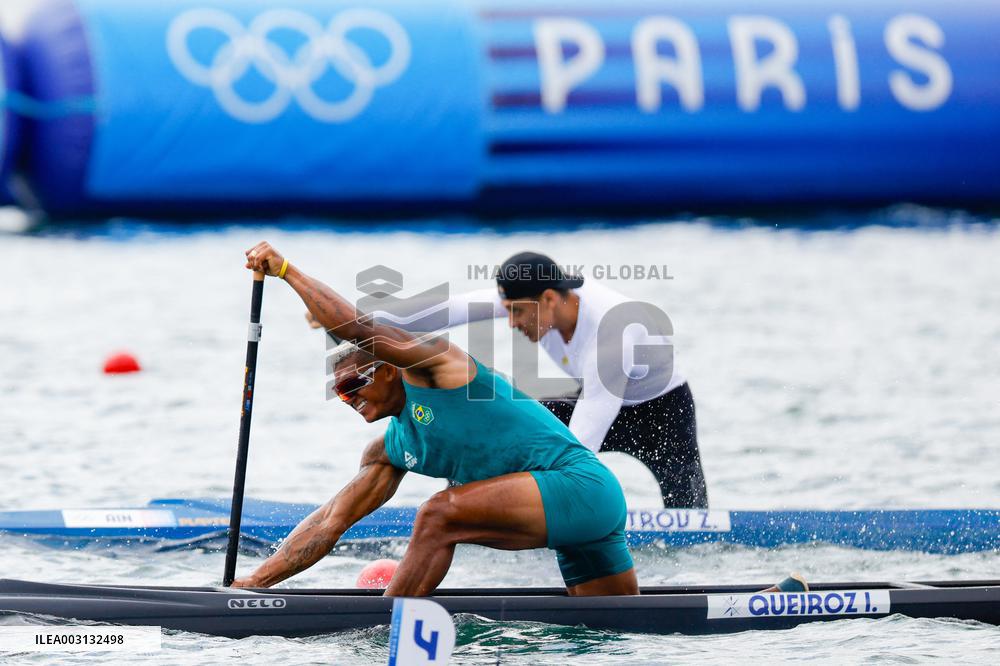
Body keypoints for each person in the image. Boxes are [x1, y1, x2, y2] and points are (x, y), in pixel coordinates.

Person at [232, 241, 639, 596]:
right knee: (619, 625)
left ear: (389, 368)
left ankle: (387, 624)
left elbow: (359, 329)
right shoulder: (390, 449)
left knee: (437, 514)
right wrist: (252, 585)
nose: (347, 399)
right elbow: (329, 522)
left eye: (353, 385)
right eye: (339, 391)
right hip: (576, 519)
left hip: (581, 485)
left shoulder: (438, 368)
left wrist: (286, 272)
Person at [353, 252, 708, 508]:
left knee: (690, 514)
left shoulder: (611, 336)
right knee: (508, 431)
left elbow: (580, 449)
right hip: (594, 395)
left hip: (664, 413)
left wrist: (544, 506)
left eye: (516, 313)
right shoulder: (529, 295)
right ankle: (464, 507)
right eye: (506, 311)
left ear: (550, 299)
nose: (510, 323)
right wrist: (351, 322)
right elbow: (449, 309)